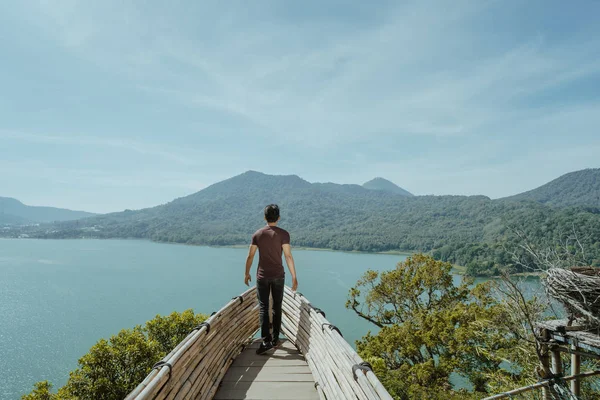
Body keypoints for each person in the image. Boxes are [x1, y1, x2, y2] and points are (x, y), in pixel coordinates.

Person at [245, 204, 298, 355]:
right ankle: (275, 339)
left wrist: (246, 273)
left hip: (262, 276)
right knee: (277, 306)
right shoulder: (284, 234)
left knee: (263, 307)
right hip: (278, 276)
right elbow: (288, 256)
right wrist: (294, 276)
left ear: (264, 217)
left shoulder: (258, 234)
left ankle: (265, 341)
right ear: (279, 218)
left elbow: (250, 256)